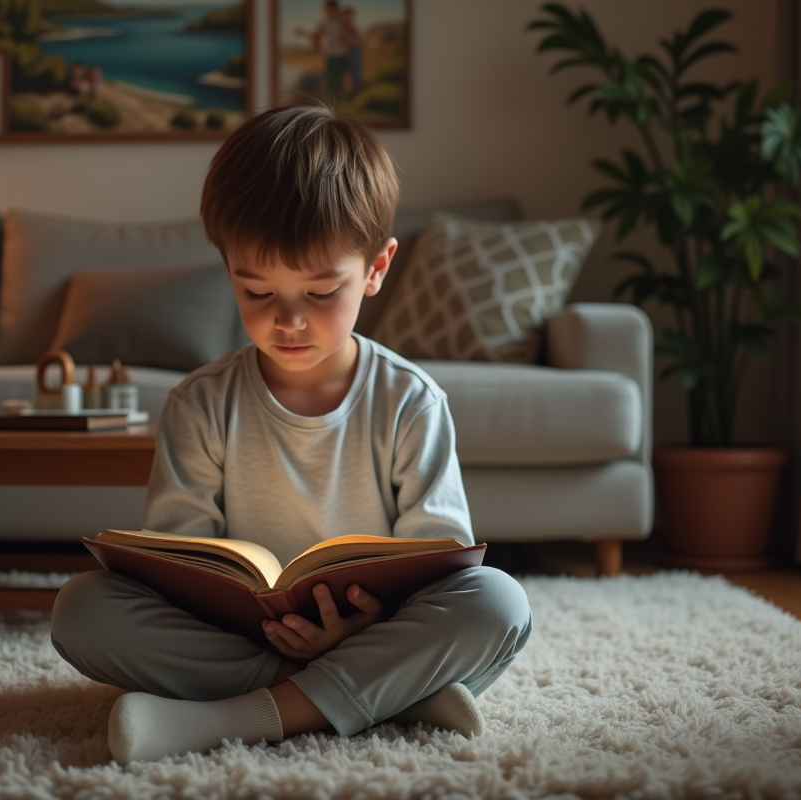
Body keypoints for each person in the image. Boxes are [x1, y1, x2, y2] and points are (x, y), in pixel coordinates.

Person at [50, 104, 533, 764]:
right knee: (82, 608)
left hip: (375, 628)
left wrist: (367, 626)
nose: (289, 321)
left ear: (375, 268)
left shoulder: (409, 401)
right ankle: (388, 696)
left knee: (498, 602)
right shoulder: (199, 403)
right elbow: (178, 562)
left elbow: (439, 563)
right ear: (228, 272)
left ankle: (240, 714)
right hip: (245, 637)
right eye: (256, 292)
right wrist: (268, 626)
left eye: (320, 292)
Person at [297, 0, 349, 100]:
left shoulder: (341, 22)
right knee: (331, 79)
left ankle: (341, 100)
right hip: (330, 54)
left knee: (340, 79)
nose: (329, 12)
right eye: (328, 10)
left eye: (332, 9)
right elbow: (316, 35)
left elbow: (347, 35)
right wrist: (304, 33)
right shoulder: (324, 23)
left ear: (336, 10)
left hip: (342, 54)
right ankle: (333, 101)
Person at [342, 7, 363, 99]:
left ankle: (356, 94)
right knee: (348, 74)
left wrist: (351, 40)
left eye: (350, 16)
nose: (349, 18)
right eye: (347, 16)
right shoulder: (344, 27)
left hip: (354, 51)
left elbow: (356, 40)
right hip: (347, 52)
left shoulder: (352, 27)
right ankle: (350, 95)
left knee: (355, 73)